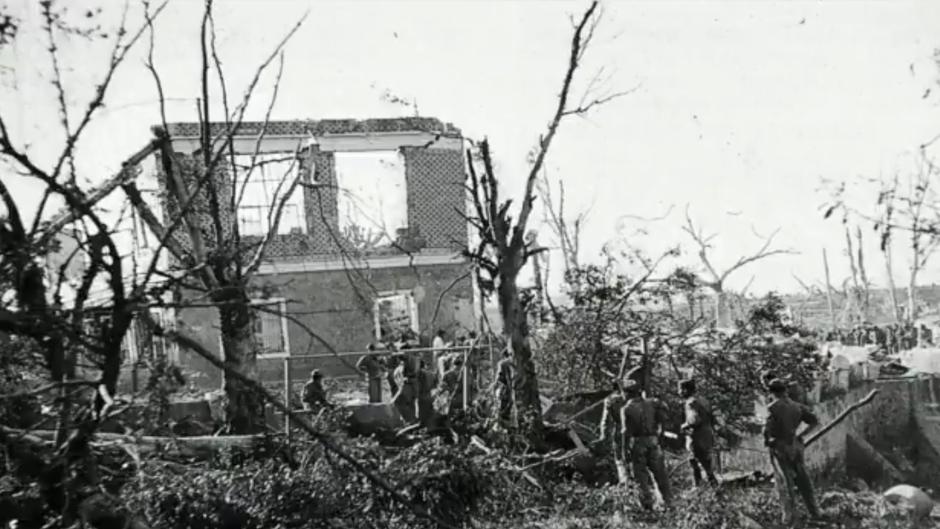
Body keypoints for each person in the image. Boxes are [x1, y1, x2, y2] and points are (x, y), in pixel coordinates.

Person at [764, 378, 822, 525]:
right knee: (804, 480)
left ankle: (790, 518)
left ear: (772, 392)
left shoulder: (772, 408)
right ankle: (815, 511)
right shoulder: (797, 406)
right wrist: (802, 435)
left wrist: (769, 441)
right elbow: (815, 421)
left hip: (781, 447)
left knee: (785, 483)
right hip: (796, 446)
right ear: (785, 390)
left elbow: (767, 430)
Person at [620, 379, 672, 512]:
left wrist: (624, 450)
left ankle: (647, 505)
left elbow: (626, 432)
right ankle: (667, 502)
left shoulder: (627, 409)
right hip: (654, 441)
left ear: (627, 393)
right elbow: (665, 414)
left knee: (641, 476)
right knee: (660, 473)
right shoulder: (653, 403)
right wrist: (660, 434)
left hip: (639, 443)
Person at [679, 379, 719, 486]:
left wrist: (684, 425)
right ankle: (710, 484)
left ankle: (699, 486)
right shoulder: (703, 400)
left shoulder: (691, 402)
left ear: (686, 390)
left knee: (695, 461)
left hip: (697, 437)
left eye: (680, 389)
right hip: (707, 434)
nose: (679, 392)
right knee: (705, 461)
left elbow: (695, 420)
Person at [598, 379, 628, 483]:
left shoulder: (610, 400)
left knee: (619, 457)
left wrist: (603, 434)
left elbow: (605, 420)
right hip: (633, 430)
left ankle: (624, 481)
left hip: (619, 428)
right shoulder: (628, 398)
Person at [392, 352, 419, 423]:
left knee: (398, 402)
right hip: (409, 385)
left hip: (408, 385)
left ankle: (409, 419)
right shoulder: (411, 360)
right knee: (410, 403)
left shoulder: (408, 362)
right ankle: (410, 419)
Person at [492, 349, 515, 426]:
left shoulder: (502, 363)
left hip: (503, 387)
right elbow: (507, 377)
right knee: (506, 406)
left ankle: (501, 424)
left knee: (502, 406)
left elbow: (500, 377)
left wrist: (495, 385)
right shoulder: (508, 363)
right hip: (507, 388)